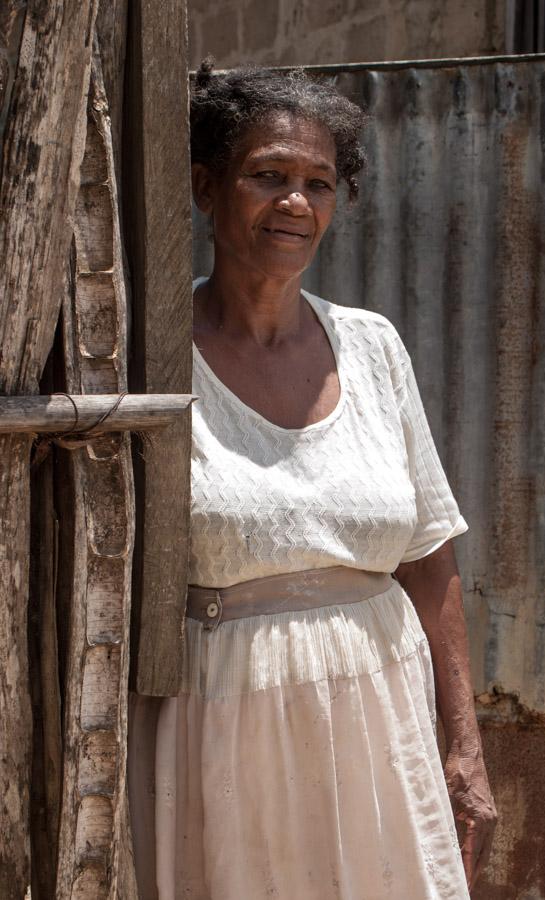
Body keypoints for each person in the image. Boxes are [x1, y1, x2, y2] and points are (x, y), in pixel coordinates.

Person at [130, 62, 497, 899]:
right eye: (268, 175)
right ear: (205, 187)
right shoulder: (150, 359)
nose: (294, 202)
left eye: (317, 183)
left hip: (380, 721)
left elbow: (429, 559)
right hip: (223, 722)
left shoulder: (372, 347)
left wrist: (464, 747)